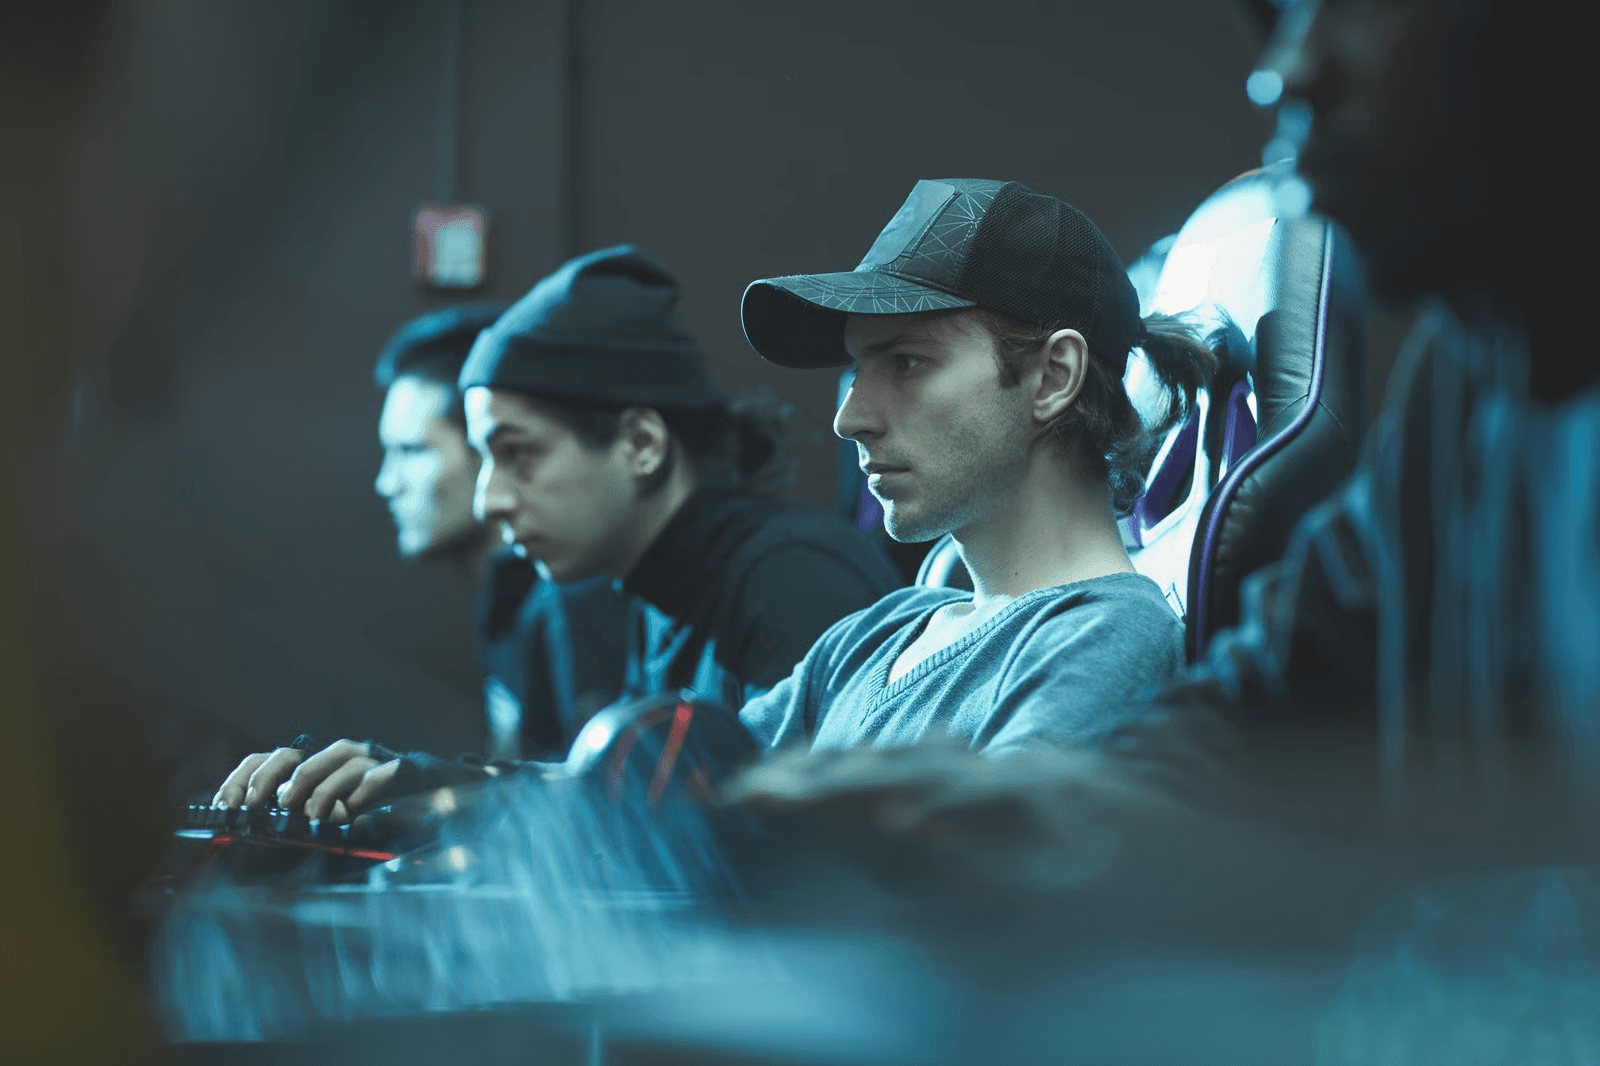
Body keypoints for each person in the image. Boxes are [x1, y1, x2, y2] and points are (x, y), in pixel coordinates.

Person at [732, 0, 1600, 862]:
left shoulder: (1099, 633)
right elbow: (1254, 718)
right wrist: (1010, 807)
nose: (1285, 70)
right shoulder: (1465, 389)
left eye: (1357, 9)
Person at [214, 246, 902, 820]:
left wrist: (446, 793)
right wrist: (415, 782)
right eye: (484, 460)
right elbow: (616, 796)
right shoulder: (656, 594)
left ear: (640, 444)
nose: (489, 499)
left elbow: (798, 844)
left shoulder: (791, 575)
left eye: (518, 455)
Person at [732, 178, 1218, 755]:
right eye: (859, 369)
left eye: (907, 362)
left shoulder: (1105, 640)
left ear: (1053, 376)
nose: (849, 419)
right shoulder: (866, 640)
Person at [372, 306, 633, 761]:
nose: (387, 483)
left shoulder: (571, 603)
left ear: (490, 446)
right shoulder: (508, 601)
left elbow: (601, 792)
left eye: (412, 451)